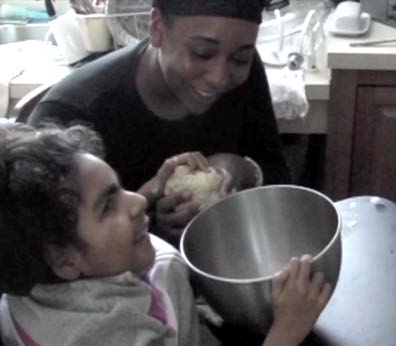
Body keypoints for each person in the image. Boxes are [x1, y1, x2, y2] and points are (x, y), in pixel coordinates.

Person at [0, 124, 331, 346]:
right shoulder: (111, 336)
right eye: (107, 206)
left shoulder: (45, 273)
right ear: (63, 259)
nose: (138, 201)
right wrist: (287, 331)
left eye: (121, 189)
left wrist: (157, 188)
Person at [28, 0, 291, 243]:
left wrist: (243, 169)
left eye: (241, 58)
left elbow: (281, 180)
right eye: (202, 53)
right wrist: (149, 221)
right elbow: (54, 249)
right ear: (157, 28)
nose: (220, 77)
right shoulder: (73, 113)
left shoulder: (241, 75)